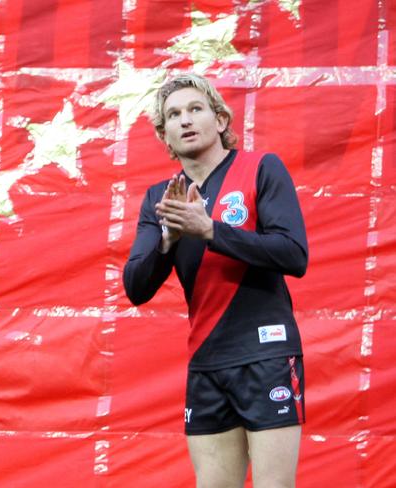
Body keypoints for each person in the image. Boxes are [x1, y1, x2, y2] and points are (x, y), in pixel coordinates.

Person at [123, 73, 308, 488]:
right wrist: (167, 241)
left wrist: (211, 231)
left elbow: (294, 255)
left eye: (195, 109)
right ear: (165, 136)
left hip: (266, 354)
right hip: (207, 361)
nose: (185, 120)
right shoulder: (161, 198)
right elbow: (135, 287)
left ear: (221, 120)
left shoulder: (261, 167)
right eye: (173, 115)